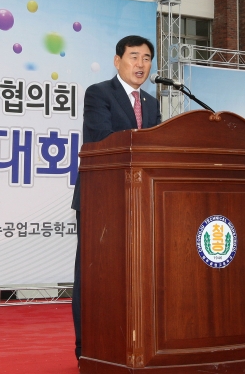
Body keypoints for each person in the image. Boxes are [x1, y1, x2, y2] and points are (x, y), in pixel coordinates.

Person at [71, 35, 163, 360]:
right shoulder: (99, 94)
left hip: (141, 201)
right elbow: (100, 137)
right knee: (95, 273)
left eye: (147, 58)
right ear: (117, 61)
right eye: (134, 57)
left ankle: (135, 345)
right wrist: (142, 141)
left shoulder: (152, 103)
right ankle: (90, 348)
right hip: (103, 199)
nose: (141, 65)